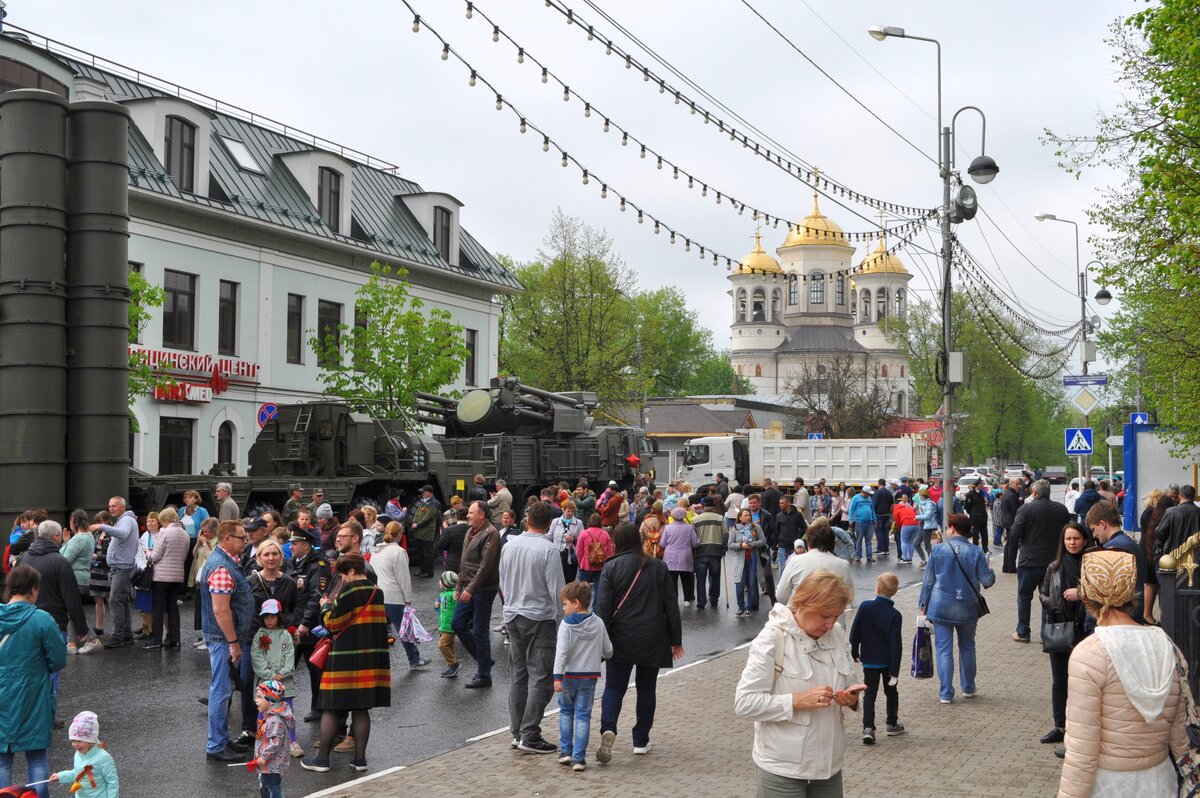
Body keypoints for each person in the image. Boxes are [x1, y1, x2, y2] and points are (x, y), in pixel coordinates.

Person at [1057, 550, 1188, 798]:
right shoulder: (1166, 645)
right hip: (1160, 779)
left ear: (1087, 595)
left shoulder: (1090, 654)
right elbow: (1179, 730)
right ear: (1131, 593)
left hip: (1109, 784)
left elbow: (1082, 746)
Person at [734, 570, 862, 797]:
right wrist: (795, 701)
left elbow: (850, 681)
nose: (831, 624)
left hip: (828, 768)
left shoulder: (837, 635)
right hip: (782, 769)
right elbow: (744, 703)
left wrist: (851, 699)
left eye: (836, 616)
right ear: (804, 603)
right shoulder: (772, 638)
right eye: (825, 615)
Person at [594, 521, 682, 764]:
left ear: (617, 542)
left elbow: (602, 609)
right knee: (646, 688)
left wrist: (601, 643)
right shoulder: (657, 567)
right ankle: (641, 740)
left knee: (614, 687)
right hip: (653, 637)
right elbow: (671, 607)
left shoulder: (610, 568)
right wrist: (676, 640)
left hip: (619, 638)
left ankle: (608, 728)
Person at [301, 553, 389, 773]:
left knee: (330, 707)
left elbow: (333, 623)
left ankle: (322, 760)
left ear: (351, 571)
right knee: (361, 708)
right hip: (370, 659)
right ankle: (360, 760)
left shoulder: (349, 590)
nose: (342, 579)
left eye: (342, 574)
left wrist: (324, 606)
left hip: (345, 658)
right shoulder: (377, 591)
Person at [0, 565, 68, 798]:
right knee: (37, 757)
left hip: (1, 694)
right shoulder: (42, 620)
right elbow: (58, 660)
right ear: (33, 590)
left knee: (2, 760)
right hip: (34, 694)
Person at [918, 514, 995, 704]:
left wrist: (922, 605)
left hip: (940, 606)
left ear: (952, 528)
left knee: (944, 650)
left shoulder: (938, 550)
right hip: (967, 607)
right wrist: (989, 566)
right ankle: (968, 687)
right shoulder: (976, 551)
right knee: (967, 647)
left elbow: (928, 582)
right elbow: (988, 580)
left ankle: (945, 693)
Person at [199, 519, 255, 763]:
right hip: (223, 640)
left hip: (224, 639)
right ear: (227, 539)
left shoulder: (224, 562)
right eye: (242, 537)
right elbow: (221, 611)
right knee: (221, 692)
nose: (246, 541)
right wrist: (233, 643)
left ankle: (221, 739)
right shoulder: (222, 568)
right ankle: (216, 745)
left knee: (222, 691)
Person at [1037, 522, 1096, 750]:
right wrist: (1053, 603)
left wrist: (1080, 594)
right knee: (1059, 681)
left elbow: (1102, 593)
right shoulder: (1054, 567)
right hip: (1061, 630)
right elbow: (1042, 594)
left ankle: (1080, 729)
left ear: (1085, 540)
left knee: (1082, 683)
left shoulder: (1092, 565)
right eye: (1068, 539)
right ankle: (1060, 726)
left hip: (1085, 632)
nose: (1072, 543)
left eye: (1076, 539)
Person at [554, 580, 613, 772]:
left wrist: (557, 676)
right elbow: (609, 650)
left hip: (568, 676)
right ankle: (579, 759)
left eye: (565, 604)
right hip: (589, 677)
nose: (563, 608)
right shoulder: (598, 622)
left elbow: (561, 652)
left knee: (565, 712)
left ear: (576, 603)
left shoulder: (566, 626)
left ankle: (566, 752)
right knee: (583, 716)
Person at [17, 521, 90, 675]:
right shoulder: (60, 562)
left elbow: (14, 591)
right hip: (54, 624)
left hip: (25, 622)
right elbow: (72, 598)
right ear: (57, 537)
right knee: (52, 674)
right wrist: (81, 629)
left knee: (30, 672)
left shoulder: (23, 559)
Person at [1009, 480, 1070, 643]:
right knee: (1049, 598)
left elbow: (1015, 534)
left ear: (1034, 493)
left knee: (1024, 597)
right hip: (1053, 562)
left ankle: (1023, 631)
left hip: (1028, 561)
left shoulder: (1025, 509)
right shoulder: (1061, 510)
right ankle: (1046, 633)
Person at [850, 573, 904, 745]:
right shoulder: (895, 615)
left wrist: (854, 651)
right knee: (891, 692)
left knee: (869, 694)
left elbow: (855, 632)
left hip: (870, 660)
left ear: (877, 588)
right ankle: (891, 723)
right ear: (894, 593)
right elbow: (896, 645)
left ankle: (868, 728)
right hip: (888, 662)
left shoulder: (865, 607)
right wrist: (895, 671)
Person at [453, 500, 501, 689]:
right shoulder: (469, 531)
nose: (468, 516)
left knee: (480, 630)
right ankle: (484, 659)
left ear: (482, 515)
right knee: (457, 623)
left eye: (471, 513)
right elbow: (464, 563)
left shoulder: (491, 534)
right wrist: (458, 587)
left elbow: (486, 566)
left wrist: (470, 589)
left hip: (483, 589)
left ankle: (484, 675)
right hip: (467, 586)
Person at [371, 522, 430, 670]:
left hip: (378, 595)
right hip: (394, 596)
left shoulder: (376, 551)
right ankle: (414, 659)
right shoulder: (398, 552)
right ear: (399, 534)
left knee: (379, 633)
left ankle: (376, 663)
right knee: (403, 630)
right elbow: (403, 578)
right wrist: (408, 599)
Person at [286, 525, 330, 723]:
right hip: (291, 625)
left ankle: (318, 707)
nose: (291, 547)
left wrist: (305, 623)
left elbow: (316, 596)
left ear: (305, 545)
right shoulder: (292, 563)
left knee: (315, 670)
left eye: (295, 544)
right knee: (286, 667)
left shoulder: (317, 565)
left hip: (309, 628)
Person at [252, 599, 301, 759]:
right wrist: (271, 676)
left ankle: (292, 741)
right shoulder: (259, 636)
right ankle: (262, 740)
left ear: (279, 617)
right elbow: (257, 658)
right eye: (266, 617)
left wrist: (282, 673)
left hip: (285, 682)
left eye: (273, 616)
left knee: (288, 713)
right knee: (263, 713)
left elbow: (290, 657)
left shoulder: (285, 635)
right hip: (266, 684)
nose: (269, 620)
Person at [89, 497, 139, 650]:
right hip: (118, 568)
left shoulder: (126, 520)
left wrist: (103, 526)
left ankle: (118, 636)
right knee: (121, 602)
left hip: (122, 568)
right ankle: (126, 635)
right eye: (109, 506)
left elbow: (123, 534)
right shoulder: (123, 520)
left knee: (115, 601)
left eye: (114, 506)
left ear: (123, 506)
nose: (111, 509)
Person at [1086, 500, 1147, 623]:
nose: (1094, 535)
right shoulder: (1130, 542)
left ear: (1102, 524)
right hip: (1134, 611)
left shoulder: (1113, 547)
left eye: (1093, 529)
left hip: (1121, 615)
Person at [776, 518, 854, 608]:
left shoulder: (795, 561)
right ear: (832, 543)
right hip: (832, 617)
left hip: (800, 616)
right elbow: (849, 597)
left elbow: (780, 596)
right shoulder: (843, 565)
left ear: (809, 543)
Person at [142, 506, 187, 651]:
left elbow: (155, 556)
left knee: (158, 608)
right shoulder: (184, 534)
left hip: (161, 576)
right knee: (173, 607)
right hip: (177, 576)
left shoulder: (165, 533)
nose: (161, 525)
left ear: (166, 520)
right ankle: (175, 639)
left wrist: (148, 553)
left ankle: (156, 640)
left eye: (162, 522)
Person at [48, 711, 118, 798]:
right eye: (73, 740)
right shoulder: (78, 755)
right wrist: (61, 776)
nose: (75, 744)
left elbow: (112, 782)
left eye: (79, 741)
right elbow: (78, 773)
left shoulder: (104, 758)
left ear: (90, 741)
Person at [252, 680, 294, 798]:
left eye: (259, 697)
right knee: (265, 785)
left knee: (273, 787)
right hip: (268, 763)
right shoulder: (269, 716)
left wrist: (264, 757)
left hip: (272, 764)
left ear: (270, 701)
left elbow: (275, 742)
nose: (256, 700)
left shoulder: (274, 721)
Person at [729, 508, 766, 617]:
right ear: (739, 517)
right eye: (745, 515)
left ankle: (749, 608)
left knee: (751, 583)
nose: (748, 517)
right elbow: (730, 545)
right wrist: (741, 545)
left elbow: (763, 541)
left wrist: (753, 544)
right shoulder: (735, 529)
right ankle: (741, 607)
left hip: (753, 559)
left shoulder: (756, 527)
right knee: (739, 584)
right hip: (740, 561)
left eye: (749, 515)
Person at [660, 507, 699, 607]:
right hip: (685, 556)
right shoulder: (689, 528)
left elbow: (662, 543)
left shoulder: (668, 528)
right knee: (686, 579)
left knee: (672, 580)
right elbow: (695, 543)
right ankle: (687, 599)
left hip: (670, 557)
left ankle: (674, 599)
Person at [691, 498, 726, 610]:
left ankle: (701, 602)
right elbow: (725, 534)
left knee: (701, 579)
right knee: (715, 577)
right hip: (716, 551)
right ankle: (714, 600)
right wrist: (724, 547)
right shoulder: (720, 518)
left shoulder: (695, 520)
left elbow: (693, 537)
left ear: (702, 506)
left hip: (701, 552)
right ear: (713, 506)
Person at [574, 514, 613, 595]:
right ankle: (596, 607)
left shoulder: (583, 533)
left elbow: (578, 551)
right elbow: (610, 551)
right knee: (599, 590)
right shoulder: (605, 534)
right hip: (601, 565)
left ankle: (583, 606)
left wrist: (581, 561)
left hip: (586, 566)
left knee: (583, 591)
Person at [1157, 484, 1200, 554]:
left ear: (1180, 497)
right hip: (1195, 553)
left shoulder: (1170, 512)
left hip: (1173, 553)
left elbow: (1161, 533)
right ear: (1194, 497)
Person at [408, 486, 440, 578]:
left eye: (423, 492)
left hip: (426, 532)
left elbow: (428, 518)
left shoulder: (433, 503)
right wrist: (414, 521)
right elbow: (417, 513)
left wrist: (417, 525)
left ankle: (429, 572)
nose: (422, 494)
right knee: (421, 553)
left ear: (429, 492)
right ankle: (423, 570)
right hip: (420, 532)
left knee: (427, 553)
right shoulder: (425, 502)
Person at [435, 571, 460, 678]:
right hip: (443, 625)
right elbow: (441, 610)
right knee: (450, 645)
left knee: (442, 645)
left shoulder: (453, 595)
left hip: (450, 626)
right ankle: (452, 668)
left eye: (441, 580)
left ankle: (454, 664)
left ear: (446, 583)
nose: (439, 582)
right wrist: (436, 606)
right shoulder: (443, 594)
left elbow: (458, 608)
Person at [774, 496, 807, 572]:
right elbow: (776, 531)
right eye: (780, 503)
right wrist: (774, 546)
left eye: (782, 503)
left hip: (793, 546)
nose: (780, 505)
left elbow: (803, 527)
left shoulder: (798, 515)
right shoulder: (779, 516)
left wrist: (798, 537)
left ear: (788, 503)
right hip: (782, 545)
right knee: (783, 568)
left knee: (794, 568)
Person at [847, 486, 876, 564]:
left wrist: (874, 519)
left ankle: (869, 556)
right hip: (859, 522)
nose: (869, 495)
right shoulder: (856, 498)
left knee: (868, 541)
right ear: (864, 492)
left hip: (869, 522)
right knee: (859, 540)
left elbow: (872, 509)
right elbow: (851, 509)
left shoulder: (869, 498)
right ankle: (858, 556)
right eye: (868, 493)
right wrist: (850, 519)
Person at [963, 480, 990, 554]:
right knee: (975, 535)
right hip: (975, 518)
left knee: (984, 534)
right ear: (977, 485)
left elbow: (986, 503)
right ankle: (975, 549)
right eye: (981, 484)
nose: (982, 485)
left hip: (983, 517)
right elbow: (967, 506)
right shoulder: (971, 494)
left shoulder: (982, 493)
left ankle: (985, 549)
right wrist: (972, 513)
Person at [871, 479, 895, 557]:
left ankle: (880, 548)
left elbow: (874, 505)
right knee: (885, 532)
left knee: (879, 532)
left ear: (878, 484)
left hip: (879, 515)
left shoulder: (877, 492)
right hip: (887, 515)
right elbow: (892, 504)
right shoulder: (889, 492)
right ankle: (886, 549)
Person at [893, 495, 919, 565]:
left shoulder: (896, 511)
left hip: (907, 524)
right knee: (910, 541)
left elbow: (898, 523)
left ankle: (904, 558)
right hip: (916, 523)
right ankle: (910, 558)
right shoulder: (907, 508)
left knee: (903, 541)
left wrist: (898, 529)